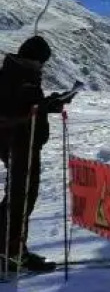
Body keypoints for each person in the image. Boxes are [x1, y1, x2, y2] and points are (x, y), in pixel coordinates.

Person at [0, 35, 78, 275]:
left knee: (18, 197)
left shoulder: (16, 73)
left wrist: (49, 104)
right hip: (19, 144)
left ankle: (11, 249)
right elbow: (14, 112)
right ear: (33, 59)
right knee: (21, 198)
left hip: (22, 143)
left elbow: (29, 107)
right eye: (41, 63)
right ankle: (11, 254)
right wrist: (44, 107)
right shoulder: (18, 78)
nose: (42, 67)